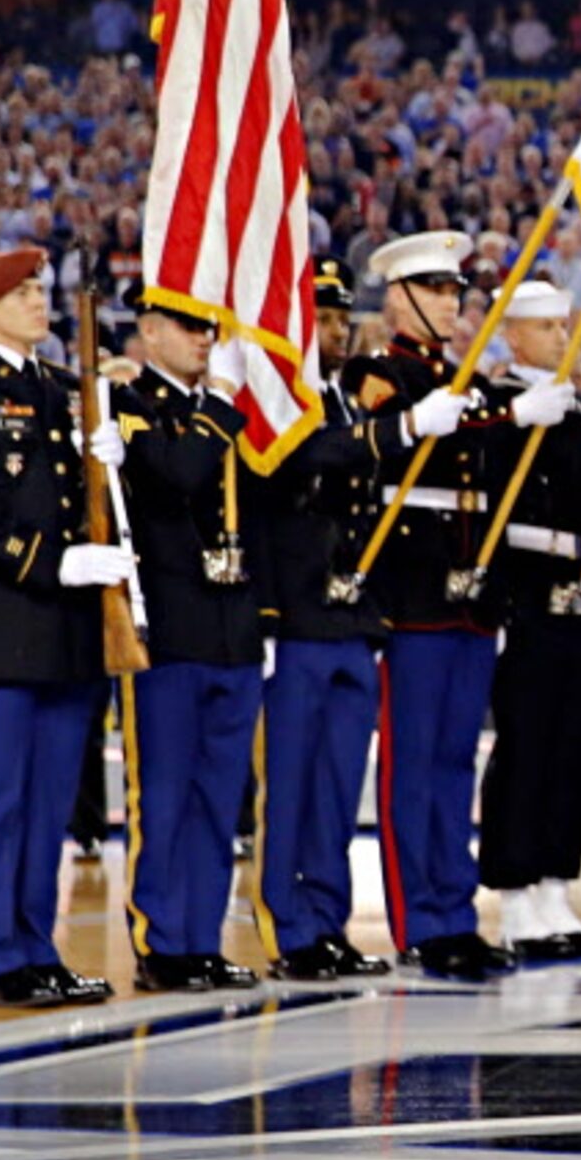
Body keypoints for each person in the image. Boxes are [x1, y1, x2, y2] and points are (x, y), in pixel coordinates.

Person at [344, 231, 562, 980]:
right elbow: (393, 447)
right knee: (413, 765)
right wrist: (499, 418)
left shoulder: (458, 380)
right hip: (413, 592)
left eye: (454, 291)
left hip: (470, 596)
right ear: (399, 296)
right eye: (434, 290)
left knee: (451, 764)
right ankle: (420, 921)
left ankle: (456, 910)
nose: (449, 302)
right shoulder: (383, 376)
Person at [0, 247, 132, 1008]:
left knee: (50, 804)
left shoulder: (63, 391)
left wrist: (109, 460)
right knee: (0, 797)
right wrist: (55, 563)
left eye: (42, 288)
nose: (40, 302)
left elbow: (89, 499)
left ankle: (40, 946)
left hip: (66, 629)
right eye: (23, 292)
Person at [475, 278, 581, 962]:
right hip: (527, 588)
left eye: (565, 327)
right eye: (546, 329)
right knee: (527, 744)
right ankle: (514, 893)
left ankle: (555, 886)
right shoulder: (495, 407)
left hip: (580, 588)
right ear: (513, 334)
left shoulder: (569, 412)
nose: (562, 340)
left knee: (576, 743)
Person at [248, 258, 398, 981]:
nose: (335, 333)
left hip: (349, 617)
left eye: (341, 320)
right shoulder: (282, 407)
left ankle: (329, 920)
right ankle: (288, 925)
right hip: (299, 616)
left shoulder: (345, 403)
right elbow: (301, 463)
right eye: (321, 320)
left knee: (340, 785)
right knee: (292, 782)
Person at [111, 299, 264, 992]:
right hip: (168, 631)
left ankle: (202, 935)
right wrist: (223, 401)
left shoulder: (217, 412)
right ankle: (162, 940)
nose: (204, 340)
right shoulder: (130, 404)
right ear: (148, 331)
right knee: (165, 793)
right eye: (188, 327)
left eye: (209, 329)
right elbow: (176, 473)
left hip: (231, 628)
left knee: (219, 795)